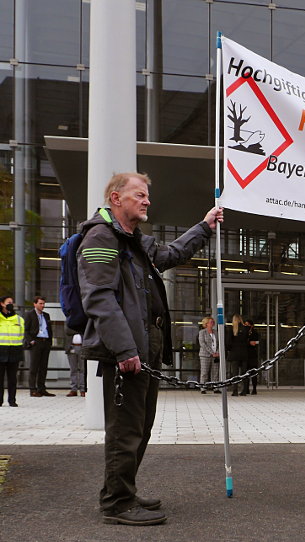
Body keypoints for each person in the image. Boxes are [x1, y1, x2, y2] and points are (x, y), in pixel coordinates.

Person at [77, 171, 223, 526]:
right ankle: (116, 502)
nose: (146, 201)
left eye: (147, 196)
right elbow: (99, 299)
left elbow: (171, 253)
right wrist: (125, 350)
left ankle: (123, 490)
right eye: (139, 195)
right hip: (127, 350)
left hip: (147, 346)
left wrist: (204, 226)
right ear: (116, 198)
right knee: (125, 430)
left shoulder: (134, 240)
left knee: (140, 427)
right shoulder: (101, 236)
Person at [23, 296, 55, 397]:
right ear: (35, 304)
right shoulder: (29, 314)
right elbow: (25, 330)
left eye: (43, 303)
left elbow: (49, 329)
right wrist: (31, 341)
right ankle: (33, 389)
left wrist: (49, 342)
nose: (42, 305)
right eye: (40, 303)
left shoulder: (46, 315)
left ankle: (41, 388)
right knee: (34, 367)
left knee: (43, 367)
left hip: (45, 342)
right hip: (36, 342)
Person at [0, 296, 24, 407]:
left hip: (14, 351)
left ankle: (12, 400)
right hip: (1, 350)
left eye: (12, 303)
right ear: (2, 304)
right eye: (9, 302)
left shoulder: (19, 319)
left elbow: (22, 335)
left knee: (12, 379)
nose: (11, 304)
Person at [225, 314, 248, 396]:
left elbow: (228, 342)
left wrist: (229, 349)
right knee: (244, 372)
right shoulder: (245, 329)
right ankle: (244, 390)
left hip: (234, 353)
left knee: (235, 373)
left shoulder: (231, 329)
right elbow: (247, 341)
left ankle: (235, 390)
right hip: (244, 353)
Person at [198, 316, 220, 394]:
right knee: (204, 372)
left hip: (216, 355)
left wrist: (217, 352)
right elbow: (202, 344)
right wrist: (212, 353)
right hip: (205, 355)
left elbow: (219, 343)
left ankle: (215, 387)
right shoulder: (202, 332)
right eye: (211, 322)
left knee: (215, 372)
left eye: (213, 322)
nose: (212, 323)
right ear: (206, 323)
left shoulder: (216, 332)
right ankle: (203, 388)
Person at [65, 327, 85, 397]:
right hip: (72, 347)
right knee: (73, 370)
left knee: (83, 370)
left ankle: (83, 389)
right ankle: (74, 389)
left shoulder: (84, 321)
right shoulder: (70, 321)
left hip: (82, 347)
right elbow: (68, 331)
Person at [243, 318, 260, 395]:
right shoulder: (243, 333)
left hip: (252, 354)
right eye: (245, 325)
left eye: (248, 325)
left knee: (253, 372)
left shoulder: (255, 333)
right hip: (246, 354)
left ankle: (254, 388)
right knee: (245, 372)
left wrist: (254, 343)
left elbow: (258, 341)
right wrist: (249, 343)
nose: (246, 326)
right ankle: (246, 388)